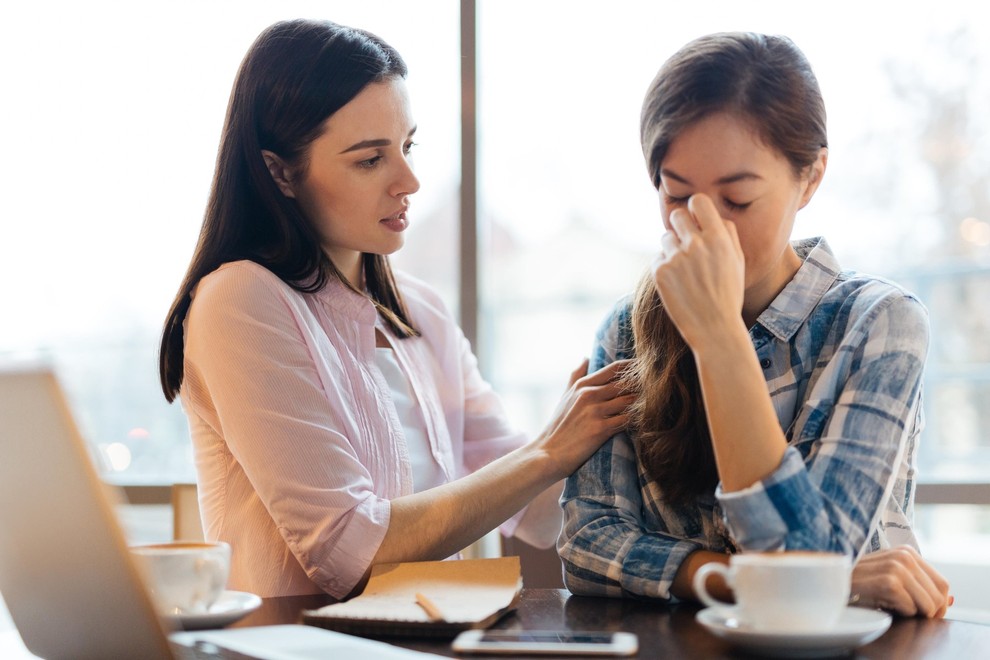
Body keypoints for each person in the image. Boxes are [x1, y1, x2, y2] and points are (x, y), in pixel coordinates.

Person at [158, 18, 633, 599]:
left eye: (407, 147)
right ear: (281, 173)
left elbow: (539, 514)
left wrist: (618, 421)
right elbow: (345, 550)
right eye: (369, 160)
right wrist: (547, 452)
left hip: (425, 641)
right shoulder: (241, 299)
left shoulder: (422, 314)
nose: (408, 180)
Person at [558, 32, 952, 618]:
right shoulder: (627, 327)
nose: (703, 227)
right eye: (677, 196)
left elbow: (806, 561)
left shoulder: (879, 323)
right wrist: (758, 577)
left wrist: (719, 337)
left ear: (810, 177)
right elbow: (586, 545)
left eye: (737, 200)